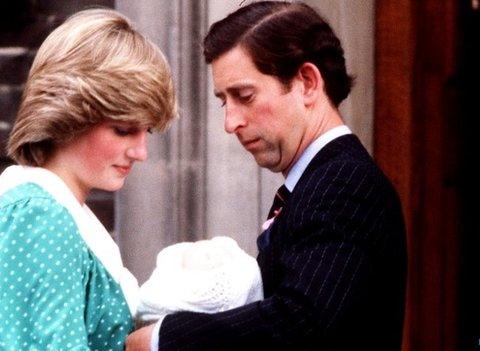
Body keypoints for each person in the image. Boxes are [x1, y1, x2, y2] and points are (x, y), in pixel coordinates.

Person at [126, 2, 407, 351]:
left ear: (307, 82)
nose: (231, 123)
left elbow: (301, 321)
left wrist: (162, 338)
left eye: (244, 96)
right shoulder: (320, 180)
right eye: (223, 101)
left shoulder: (344, 183)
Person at [0, 8, 177, 350]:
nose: (140, 152)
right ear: (69, 114)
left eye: (145, 132)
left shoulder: (53, 213)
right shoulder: (40, 219)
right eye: (124, 130)